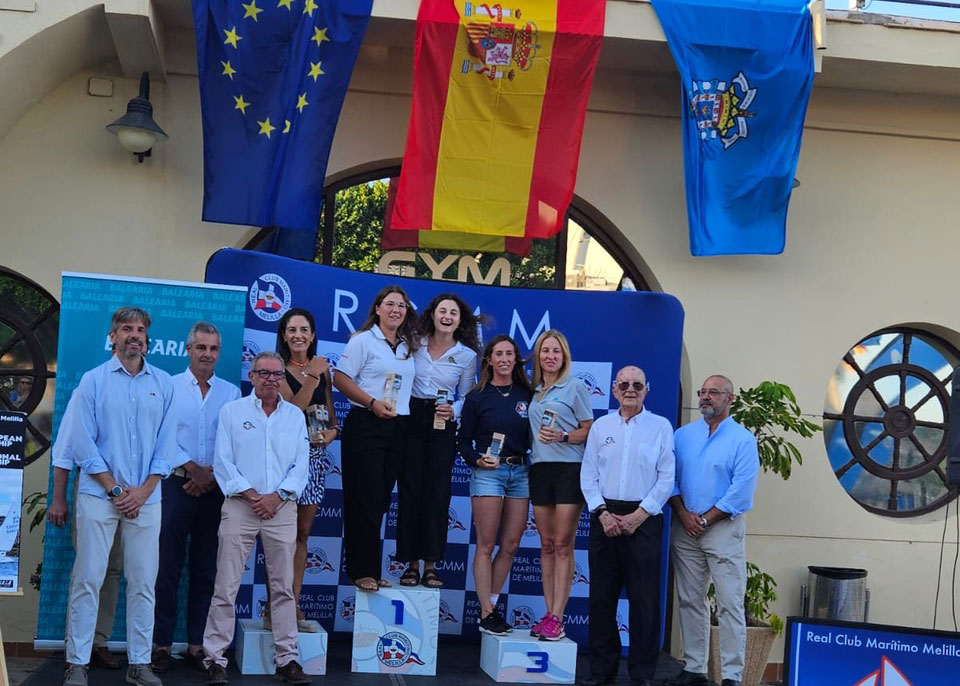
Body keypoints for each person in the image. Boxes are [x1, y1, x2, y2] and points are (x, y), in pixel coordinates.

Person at [60, 307, 175, 686]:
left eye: (141, 329)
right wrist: (116, 488)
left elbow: (167, 445)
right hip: (99, 495)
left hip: (147, 499)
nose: (135, 335)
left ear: (147, 338)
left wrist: (142, 492)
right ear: (113, 336)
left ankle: (139, 664)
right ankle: (76, 664)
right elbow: (81, 442)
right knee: (88, 579)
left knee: (143, 583)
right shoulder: (93, 382)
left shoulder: (164, 383)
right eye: (127, 328)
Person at [202, 352, 310, 686]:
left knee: (283, 589)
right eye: (264, 373)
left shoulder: (294, 416)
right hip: (239, 506)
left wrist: (276, 497)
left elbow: (300, 466)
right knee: (226, 585)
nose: (271, 379)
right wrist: (252, 496)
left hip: (281, 508)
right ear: (252, 376)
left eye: (277, 375)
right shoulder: (232, 412)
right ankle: (215, 659)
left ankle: (287, 659)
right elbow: (223, 463)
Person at [151, 323, 240, 673]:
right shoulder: (168, 387)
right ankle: (159, 644)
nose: (207, 354)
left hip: (215, 490)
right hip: (176, 485)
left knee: (207, 570)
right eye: (201, 348)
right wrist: (192, 468)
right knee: (167, 568)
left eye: (213, 349)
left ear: (219, 352)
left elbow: (233, 443)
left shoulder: (231, 393)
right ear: (188, 350)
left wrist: (210, 476)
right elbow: (161, 437)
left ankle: (197, 644)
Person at [579, 366, 675, 686]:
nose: (630, 389)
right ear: (614, 389)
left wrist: (641, 514)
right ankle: (602, 671)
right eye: (624, 384)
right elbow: (588, 474)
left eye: (637, 384)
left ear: (647, 389)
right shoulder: (601, 426)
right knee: (602, 598)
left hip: (645, 520)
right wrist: (602, 513)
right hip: (604, 517)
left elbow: (666, 477)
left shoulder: (660, 427)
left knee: (644, 601)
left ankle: (642, 673)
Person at [665, 375, 760, 686]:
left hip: (723, 529)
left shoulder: (743, 439)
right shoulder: (682, 436)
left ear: (730, 399)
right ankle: (695, 668)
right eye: (703, 392)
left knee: (730, 603)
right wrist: (684, 514)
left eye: (714, 393)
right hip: (685, 528)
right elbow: (670, 480)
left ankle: (732, 675)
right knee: (690, 599)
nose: (706, 397)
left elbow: (741, 491)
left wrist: (705, 519)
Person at [333, 285, 418, 593]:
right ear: (378, 308)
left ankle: (372, 566)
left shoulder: (408, 345)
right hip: (366, 422)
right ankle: (361, 570)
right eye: (390, 304)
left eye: (402, 305)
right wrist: (371, 403)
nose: (396, 310)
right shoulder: (362, 340)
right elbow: (339, 378)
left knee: (380, 502)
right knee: (363, 499)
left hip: (398, 426)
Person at [398, 293, 478, 589]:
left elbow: (468, 396)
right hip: (411, 417)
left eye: (453, 313)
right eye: (442, 310)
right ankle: (410, 563)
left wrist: (454, 409)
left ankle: (431, 564)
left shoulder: (467, 356)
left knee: (437, 493)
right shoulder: (412, 344)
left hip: (443, 422)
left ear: (460, 320)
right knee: (409, 490)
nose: (447, 316)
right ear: (432, 315)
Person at [458, 335, 533, 635]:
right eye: (498, 354)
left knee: (511, 545)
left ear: (516, 360)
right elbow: (462, 441)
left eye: (509, 354)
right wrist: (477, 460)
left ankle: (490, 606)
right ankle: (488, 612)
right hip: (489, 473)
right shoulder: (477, 397)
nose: (504, 359)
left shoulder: (528, 394)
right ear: (488, 360)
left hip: (521, 472)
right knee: (486, 545)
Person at [526, 329, 594, 641]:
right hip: (540, 469)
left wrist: (564, 437)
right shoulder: (536, 390)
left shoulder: (575, 387)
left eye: (556, 351)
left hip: (569, 469)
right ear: (538, 356)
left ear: (564, 356)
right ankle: (547, 613)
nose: (550, 356)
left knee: (564, 544)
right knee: (547, 544)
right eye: (545, 351)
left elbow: (589, 430)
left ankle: (558, 616)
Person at [275, 307, 337, 632]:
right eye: (292, 330)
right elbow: (294, 409)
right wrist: (312, 374)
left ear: (313, 335)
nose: (298, 335)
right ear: (284, 336)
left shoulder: (323, 370)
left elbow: (331, 415)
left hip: (315, 459)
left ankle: (294, 604)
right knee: (282, 537)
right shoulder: (279, 370)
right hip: (286, 460)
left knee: (301, 535)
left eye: (304, 329)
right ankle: (277, 605)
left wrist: (332, 433)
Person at [48, 419, 123, 672]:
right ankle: (76, 647)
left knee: (113, 570)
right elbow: (64, 452)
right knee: (86, 570)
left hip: (130, 491)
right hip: (93, 488)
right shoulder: (87, 392)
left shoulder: (138, 390)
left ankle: (99, 640)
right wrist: (59, 499)